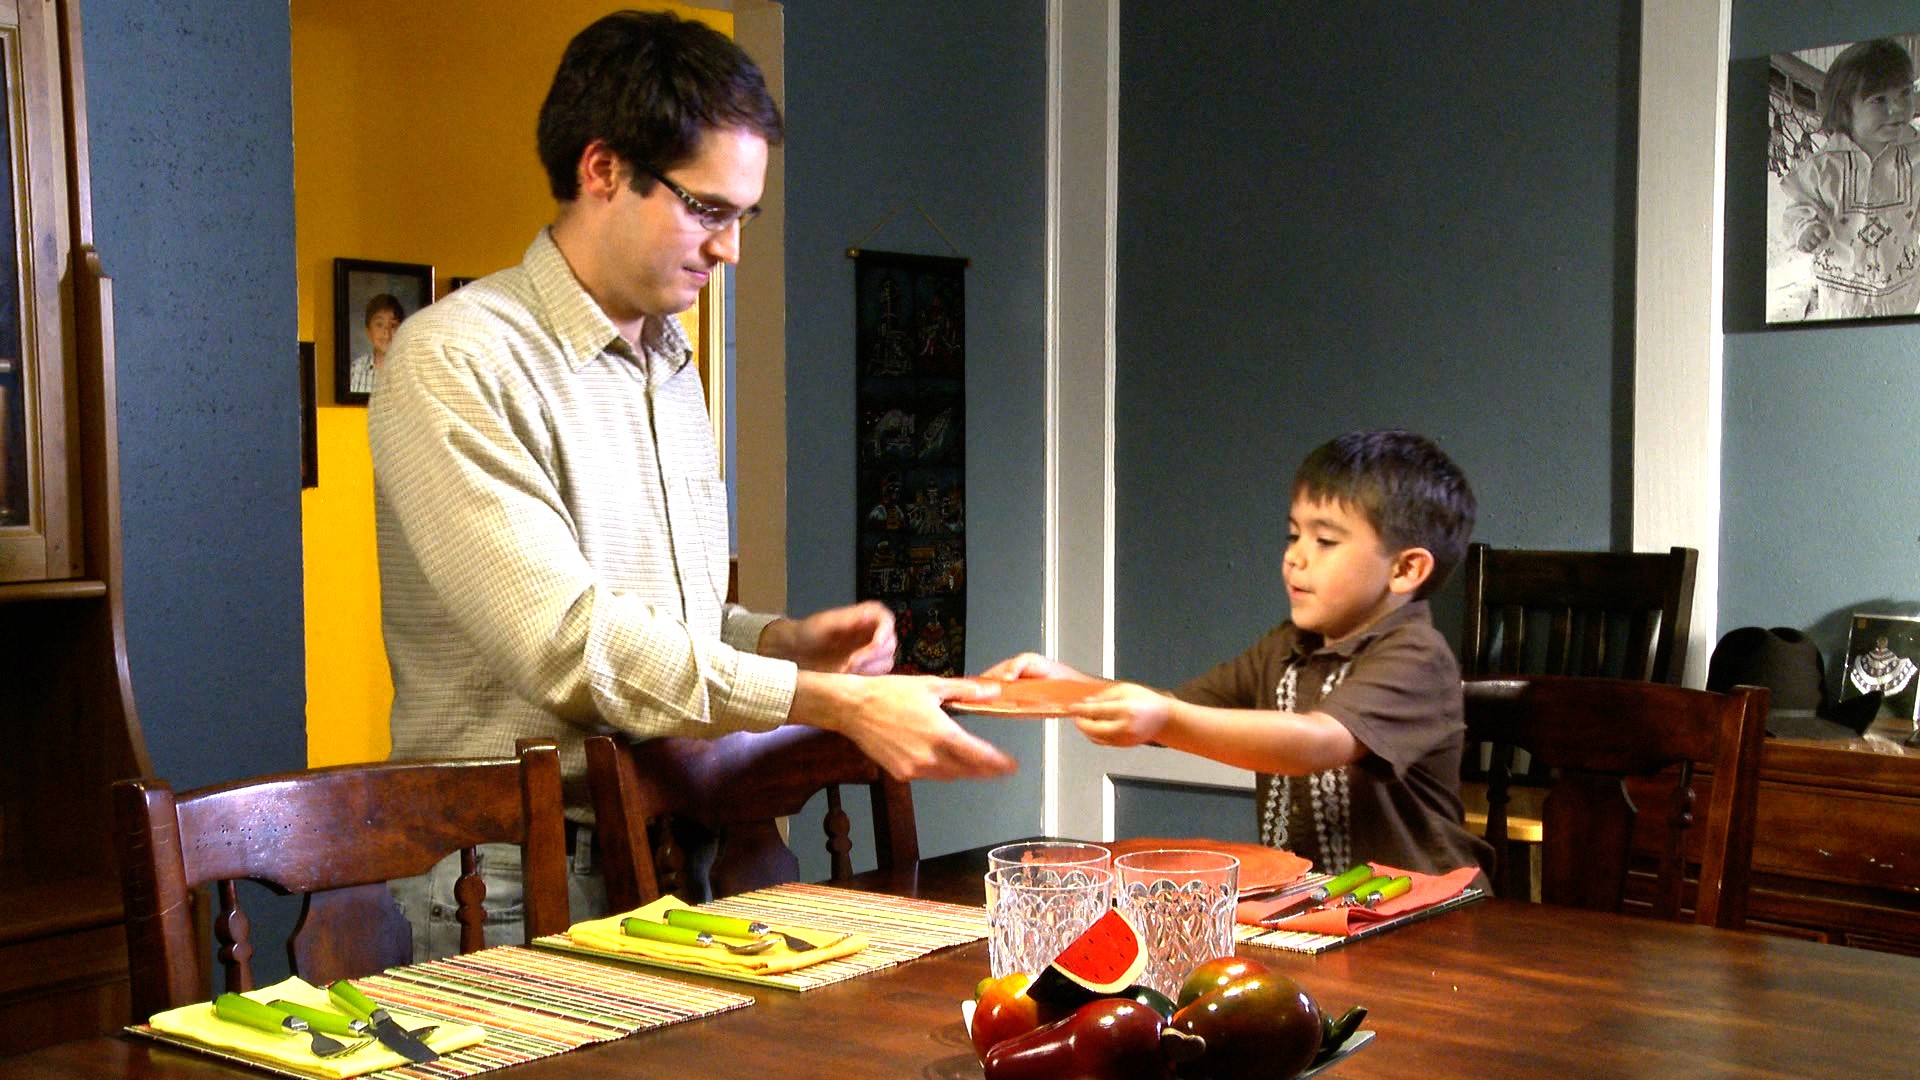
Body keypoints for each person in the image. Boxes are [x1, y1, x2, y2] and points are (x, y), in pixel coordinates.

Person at [369, 10, 1011, 958]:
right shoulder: (454, 358)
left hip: (673, 847)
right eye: (708, 210)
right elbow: (568, 646)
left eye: (742, 217)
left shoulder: (671, 361)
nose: (731, 250)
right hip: (504, 873)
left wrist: (782, 639)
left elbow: (661, 623)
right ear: (603, 170)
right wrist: (823, 700)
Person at [986, 429, 1490, 876]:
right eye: (1294, 535)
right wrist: (1067, 686)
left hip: (1423, 919)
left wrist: (1162, 718)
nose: (1295, 556)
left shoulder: (1416, 655)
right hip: (1311, 911)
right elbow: (1175, 707)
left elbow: (1317, 742)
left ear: (1405, 570)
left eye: (1326, 542)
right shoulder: (1284, 649)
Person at [1777, 38, 1920, 319]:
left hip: (1901, 288)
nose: (1897, 108)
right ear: (1845, 109)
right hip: (1843, 293)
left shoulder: (1916, 155)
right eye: (1879, 100)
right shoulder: (1825, 165)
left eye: (1905, 93)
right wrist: (1806, 228)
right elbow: (1797, 210)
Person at [348, 293, 404, 395]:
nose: (386, 332)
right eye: (379, 324)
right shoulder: (354, 371)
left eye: (393, 325)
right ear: (368, 331)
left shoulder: (409, 371)